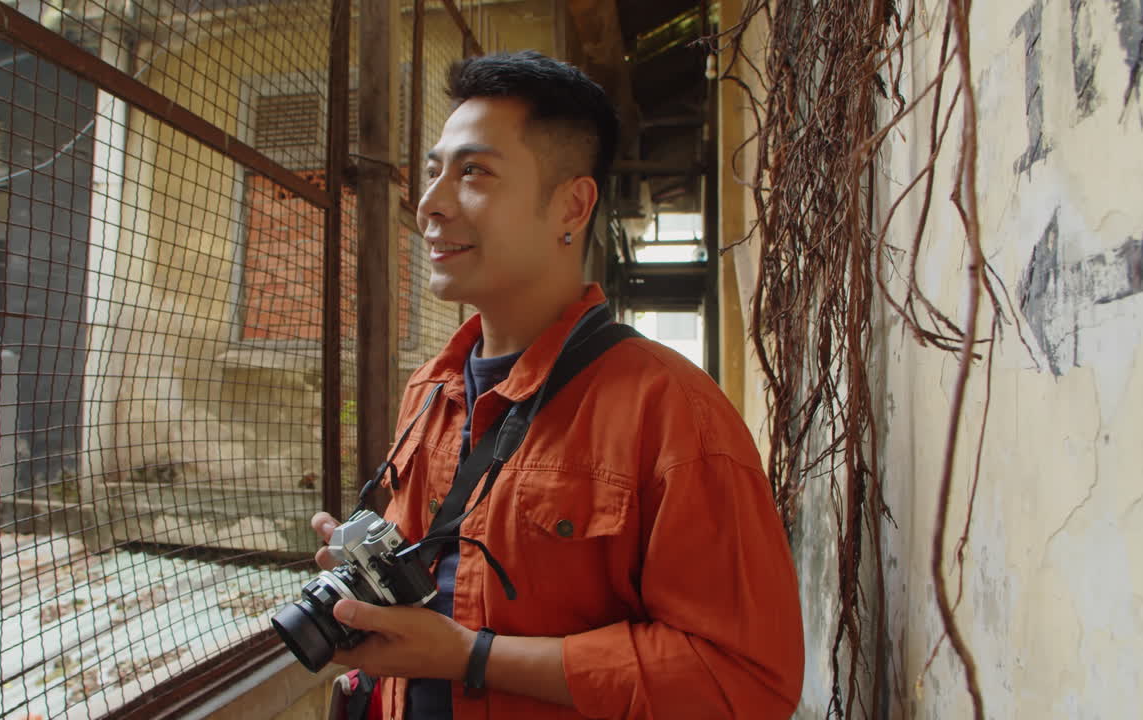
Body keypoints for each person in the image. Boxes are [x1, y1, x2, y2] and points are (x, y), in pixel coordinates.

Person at [309, 50, 804, 719]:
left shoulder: (672, 413)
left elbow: (747, 681)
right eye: (432, 174)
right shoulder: (431, 389)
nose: (429, 204)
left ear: (572, 203)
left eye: (473, 172)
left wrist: (471, 657)